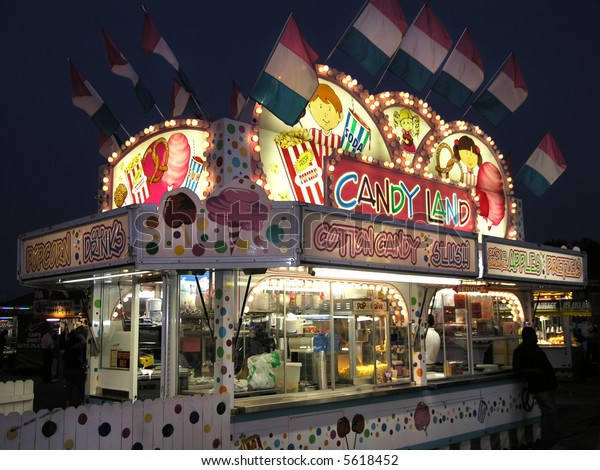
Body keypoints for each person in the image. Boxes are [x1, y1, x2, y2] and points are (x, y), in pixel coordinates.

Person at [512, 326, 559, 448]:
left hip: (546, 384)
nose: (536, 338)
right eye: (534, 336)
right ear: (528, 337)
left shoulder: (531, 349)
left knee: (549, 412)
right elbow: (517, 370)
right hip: (540, 386)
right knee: (550, 412)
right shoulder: (522, 351)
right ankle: (548, 440)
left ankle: (549, 439)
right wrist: (535, 371)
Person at [63, 326, 88, 407]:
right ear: (76, 343)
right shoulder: (76, 351)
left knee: (69, 389)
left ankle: (67, 404)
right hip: (76, 371)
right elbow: (80, 360)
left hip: (67, 370)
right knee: (80, 387)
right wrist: (85, 363)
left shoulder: (67, 350)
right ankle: (81, 402)